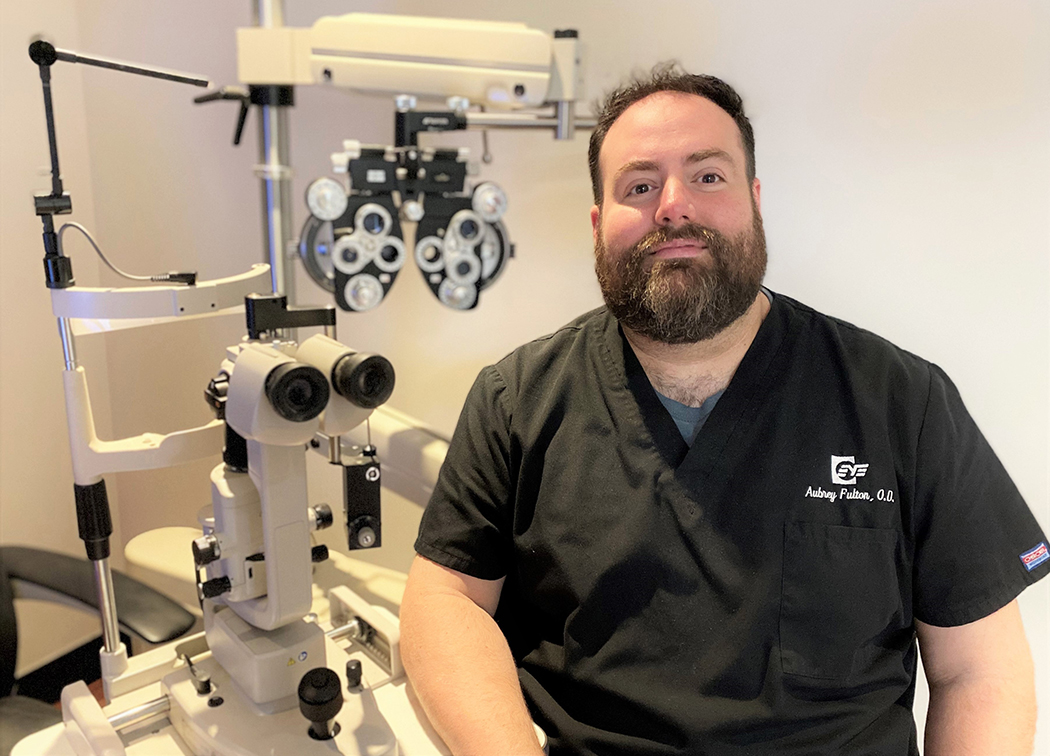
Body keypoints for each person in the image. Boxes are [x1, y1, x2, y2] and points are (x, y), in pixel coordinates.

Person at [398, 64, 1049, 755]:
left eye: (707, 176)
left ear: (754, 200)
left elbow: (980, 673)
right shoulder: (518, 400)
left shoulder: (901, 402)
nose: (673, 206)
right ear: (597, 224)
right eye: (639, 186)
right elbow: (446, 598)